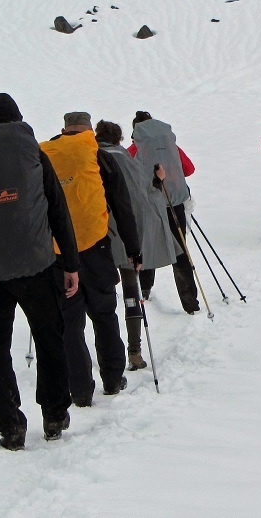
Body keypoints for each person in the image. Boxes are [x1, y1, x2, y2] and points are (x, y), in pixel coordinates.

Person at [0, 93, 80, 451]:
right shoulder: (33, 155)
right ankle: (54, 414)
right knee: (48, 336)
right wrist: (70, 263)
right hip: (36, 265)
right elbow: (57, 208)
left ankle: (10, 423)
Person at [40, 112, 142, 406]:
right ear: (88, 132)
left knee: (70, 324)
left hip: (58, 253)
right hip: (96, 249)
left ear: (63, 130)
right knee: (104, 314)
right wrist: (134, 248)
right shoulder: (96, 154)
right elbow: (122, 205)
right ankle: (112, 379)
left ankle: (80, 390)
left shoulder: (45, 155)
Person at [95, 120, 182, 369]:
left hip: (93, 238)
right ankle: (134, 353)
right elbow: (145, 194)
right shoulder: (126, 160)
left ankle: (105, 359)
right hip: (124, 237)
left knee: (98, 299)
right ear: (119, 139)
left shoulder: (89, 158)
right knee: (131, 294)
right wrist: (158, 181)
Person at [128, 111, 200, 314]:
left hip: (149, 206)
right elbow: (189, 169)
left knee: (146, 245)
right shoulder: (170, 146)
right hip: (175, 202)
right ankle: (190, 302)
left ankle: (145, 290)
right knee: (180, 251)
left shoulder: (134, 149)